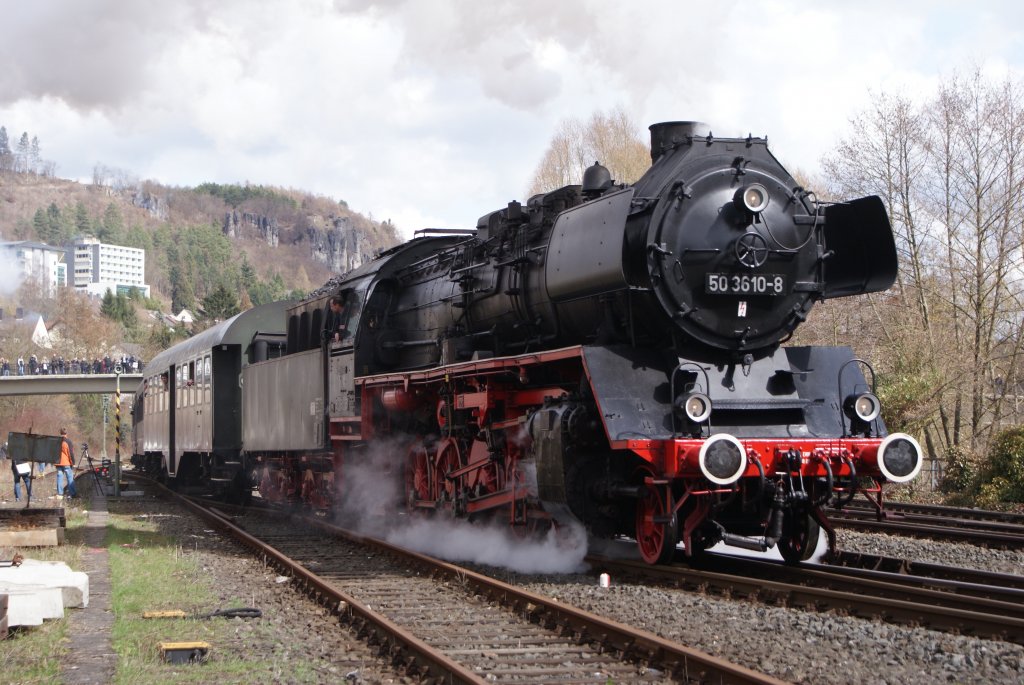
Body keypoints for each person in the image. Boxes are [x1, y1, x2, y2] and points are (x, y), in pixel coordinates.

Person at [56, 428, 78, 499]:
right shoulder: (68, 441)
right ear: (66, 433)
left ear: (60, 433)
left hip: (58, 462)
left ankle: (59, 494)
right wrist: (73, 462)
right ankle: (73, 494)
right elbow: (70, 453)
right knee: (70, 478)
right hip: (66, 463)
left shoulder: (56, 441)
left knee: (59, 478)